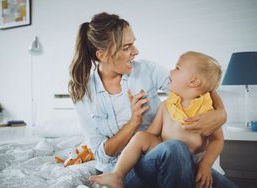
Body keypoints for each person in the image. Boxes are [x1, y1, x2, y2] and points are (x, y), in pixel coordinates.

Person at [69, 12, 230, 188]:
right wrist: (133, 122)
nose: (136, 51)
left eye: (134, 44)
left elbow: (196, 86)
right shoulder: (84, 93)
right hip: (124, 170)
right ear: (103, 55)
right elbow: (102, 155)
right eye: (126, 47)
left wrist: (221, 113)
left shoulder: (148, 70)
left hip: (167, 159)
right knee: (175, 147)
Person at [89, 51, 236, 188]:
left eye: (177, 68)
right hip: (167, 156)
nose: (170, 72)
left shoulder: (207, 111)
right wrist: (135, 120)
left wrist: (206, 165)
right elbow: (151, 134)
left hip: (195, 164)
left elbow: (217, 140)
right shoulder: (166, 106)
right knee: (141, 136)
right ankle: (118, 174)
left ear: (194, 82)